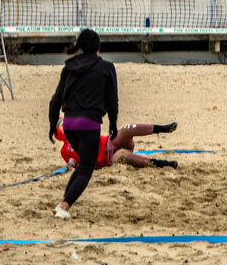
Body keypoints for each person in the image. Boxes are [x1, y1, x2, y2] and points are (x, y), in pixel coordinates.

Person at [46, 28, 118, 220]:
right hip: (89, 125)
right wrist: (113, 124)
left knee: (82, 165)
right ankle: (64, 207)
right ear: (98, 48)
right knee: (87, 168)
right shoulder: (106, 67)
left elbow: (55, 100)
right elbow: (112, 101)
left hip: (69, 124)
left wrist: (53, 125)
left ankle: (63, 202)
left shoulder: (69, 67)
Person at [54, 119, 179, 170]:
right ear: (59, 132)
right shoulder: (65, 150)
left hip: (110, 141)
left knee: (124, 130)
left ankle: (163, 128)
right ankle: (163, 164)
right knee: (122, 154)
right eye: (62, 126)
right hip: (109, 160)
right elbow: (75, 165)